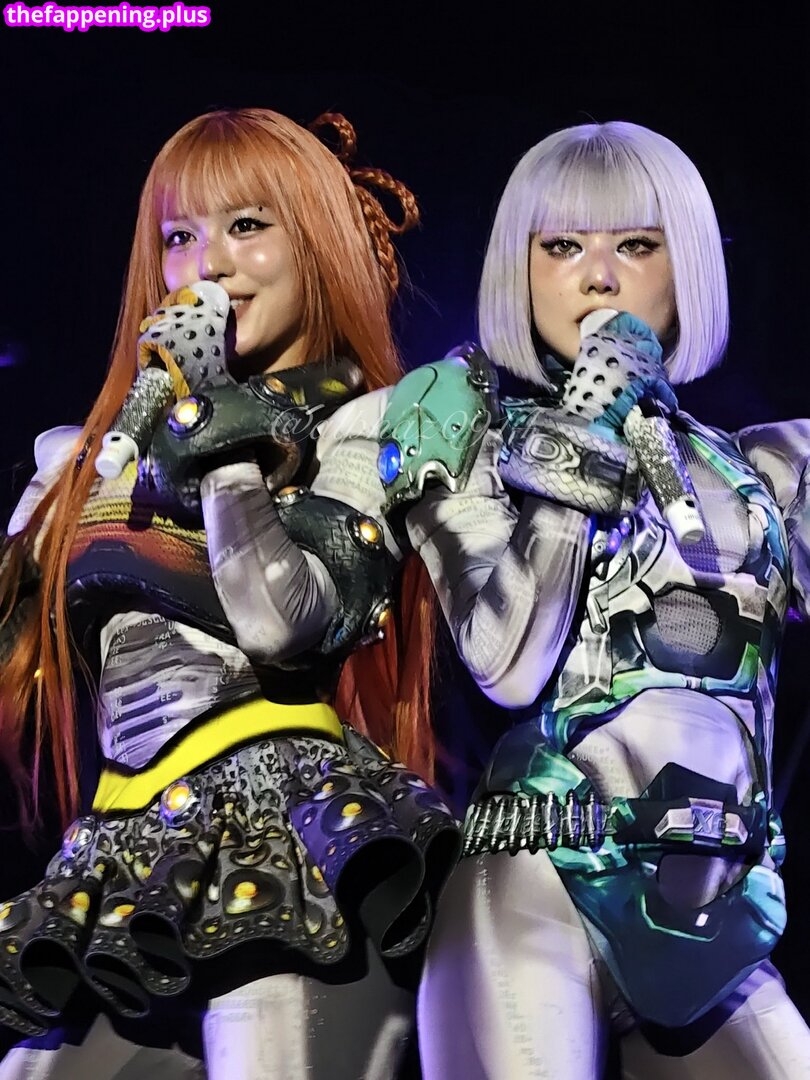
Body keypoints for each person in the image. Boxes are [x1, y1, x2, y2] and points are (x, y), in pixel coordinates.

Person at [0, 107, 458, 1079]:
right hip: (120, 849)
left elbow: (283, 621)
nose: (207, 264)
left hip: (293, 840)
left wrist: (218, 432)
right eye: (179, 236)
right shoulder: (87, 459)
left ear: (316, 245)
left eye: (247, 226)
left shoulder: (371, 427)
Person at [380, 121, 810, 1077]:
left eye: (637, 245)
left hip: (716, 910)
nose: (599, 277)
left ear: (686, 265)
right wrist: (583, 439)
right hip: (531, 882)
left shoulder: (765, 468)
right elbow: (505, 661)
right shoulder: (468, 431)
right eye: (564, 246)